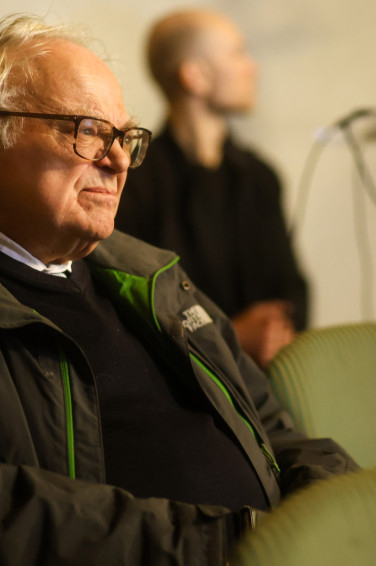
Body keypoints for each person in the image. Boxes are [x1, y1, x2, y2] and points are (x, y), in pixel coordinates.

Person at [0, 14, 357, 565]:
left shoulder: (157, 279)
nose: (118, 161)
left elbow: (274, 430)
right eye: (89, 131)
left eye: (125, 138)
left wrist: (341, 516)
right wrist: (214, 543)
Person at [116, 9, 308, 368]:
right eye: (238, 53)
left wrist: (276, 331)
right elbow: (132, 309)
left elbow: (293, 291)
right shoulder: (135, 180)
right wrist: (228, 336)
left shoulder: (261, 177)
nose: (252, 66)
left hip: (271, 377)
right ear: (196, 76)